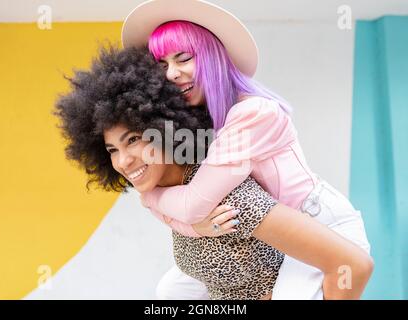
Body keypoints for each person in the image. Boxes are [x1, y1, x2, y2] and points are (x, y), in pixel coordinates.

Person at [53, 45, 373, 299]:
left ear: (165, 127)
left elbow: (354, 265)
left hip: (322, 214)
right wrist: (181, 218)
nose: (122, 162)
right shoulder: (185, 181)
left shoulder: (230, 195)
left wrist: (180, 213)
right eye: (111, 150)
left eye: (133, 140)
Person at [121, 0, 372, 299]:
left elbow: (192, 205)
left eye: (183, 58)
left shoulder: (253, 113)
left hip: (319, 226)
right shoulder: (202, 121)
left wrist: (150, 196)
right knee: (171, 293)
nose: (171, 74)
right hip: (269, 232)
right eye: (162, 65)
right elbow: (193, 211)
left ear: (213, 57)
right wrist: (194, 226)